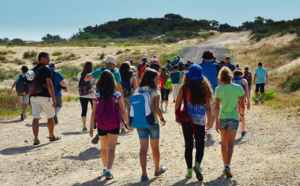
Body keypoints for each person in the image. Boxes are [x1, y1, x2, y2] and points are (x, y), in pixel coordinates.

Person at [89, 70, 130, 180]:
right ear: (113, 82)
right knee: (111, 149)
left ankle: (104, 168)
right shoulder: (116, 95)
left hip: (101, 125)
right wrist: (127, 124)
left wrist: (91, 128)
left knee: (103, 149)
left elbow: (93, 112)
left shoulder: (97, 96)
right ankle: (108, 171)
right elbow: (123, 110)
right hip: (114, 124)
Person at [175, 64, 213, 181]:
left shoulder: (184, 87)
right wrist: (209, 121)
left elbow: (178, 103)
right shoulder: (205, 88)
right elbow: (208, 107)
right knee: (200, 145)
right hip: (200, 120)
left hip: (187, 119)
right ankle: (197, 165)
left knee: (188, 145)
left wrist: (177, 115)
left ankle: (189, 171)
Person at [136, 68, 166, 181]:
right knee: (155, 148)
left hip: (140, 123)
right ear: (151, 79)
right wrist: (162, 118)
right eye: (157, 78)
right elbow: (157, 108)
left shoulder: (138, 90)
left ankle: (144, 173)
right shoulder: (155, 92)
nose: (158, 80)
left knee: (143, 148)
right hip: (153, 122)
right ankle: (157, 170)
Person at [215, 67, 245, 178]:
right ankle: (228, 165)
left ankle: (224, 166)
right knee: (231, 143)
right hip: (233, 117)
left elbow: (217, 107)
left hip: (222, 118)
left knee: (224, 144)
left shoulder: (218, 89)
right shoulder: (238, 88)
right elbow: (242, 105)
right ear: (231, 76)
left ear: (221, 78)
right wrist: (241, 115)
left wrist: (216, 122)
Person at [30, 52, 61, 145]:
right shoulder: (46, 70)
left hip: (33, 96)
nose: (49, 60)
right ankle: (51, 136)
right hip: (45, 97)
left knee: (35, 118)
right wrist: (53, 98)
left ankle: (36, 139)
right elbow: (49, 85)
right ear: (42, 58)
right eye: (47, 58)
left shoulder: (33, 69)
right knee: (50, 117)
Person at [200, 51, 220, 139]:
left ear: (203, 57)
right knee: (212, 112)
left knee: (203, 111)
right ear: (212, 57)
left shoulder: (199, 66)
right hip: (214, 91)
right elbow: (219, 80)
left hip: (202, 91)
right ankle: (209, 131)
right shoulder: (216, 66)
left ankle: (203, 129)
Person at [232, 68, 251, 137]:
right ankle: (242, 131)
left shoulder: (231, 80)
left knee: (233, 116)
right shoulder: (244, 81)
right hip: (241, 101)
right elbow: (247, 92)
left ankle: (233, 131)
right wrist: (248, 101)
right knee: (242, 115)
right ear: (241, 74)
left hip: (232, 101)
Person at [78, 61, 96, 132]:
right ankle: (94, 124)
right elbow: (94, 83)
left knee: (84, 110)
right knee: (94, 110)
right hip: (92, 94)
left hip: (82, 95)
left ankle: (84, 126)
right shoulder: (92, 75)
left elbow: (79, 83)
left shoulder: (80, 75)